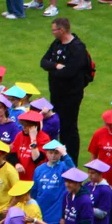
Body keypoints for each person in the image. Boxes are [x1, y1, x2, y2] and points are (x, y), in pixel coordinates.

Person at [39, 17, 90, 161]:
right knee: (59, 125)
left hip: (71, 95)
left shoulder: (78, 48)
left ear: (61, 30)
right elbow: (43, 62)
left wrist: (53, 70)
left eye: (54, 30)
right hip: (56, 93)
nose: (52, 33)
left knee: (69, 127)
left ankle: (71, 159)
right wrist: (55, 66)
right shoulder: (56, 44)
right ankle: (60, 155)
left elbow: (70, 72)